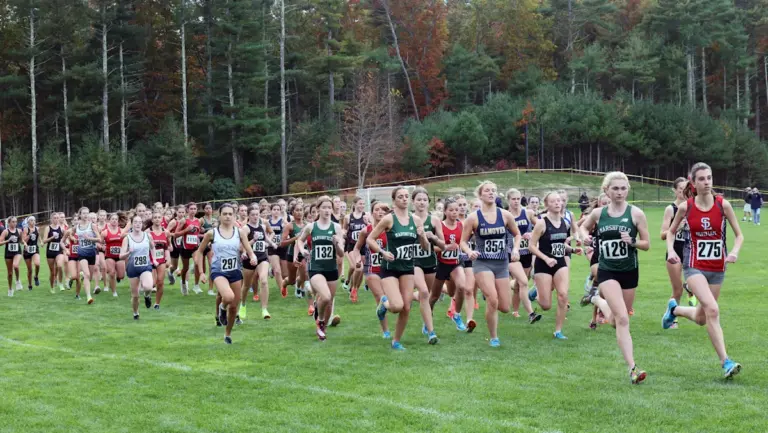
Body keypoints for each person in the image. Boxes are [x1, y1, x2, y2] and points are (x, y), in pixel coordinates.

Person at [663, 162, 744, 379]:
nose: (707, 182)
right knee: (713, 310)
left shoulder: (723, 205)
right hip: (694, 266)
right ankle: (726, 362)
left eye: (709, 178)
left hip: (718, 268)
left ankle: (674, 310)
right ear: (693, 182)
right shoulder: (686, 207)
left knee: (701, 318)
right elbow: (670, 232)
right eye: (701, 179)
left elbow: (739, 235)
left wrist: (734, 252)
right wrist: (671, 250)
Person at [579, 172, 650, 384]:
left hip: (629, 271)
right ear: (606, 190)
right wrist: (584, 237)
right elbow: (582, 227)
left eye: (623, 188)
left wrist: (633, 242)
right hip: (607, 270)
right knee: (623, 319)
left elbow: (647, 244)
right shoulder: (599, 214)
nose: (619, 192)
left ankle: (596, 299)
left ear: (628, 190)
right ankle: (633, 368)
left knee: (617, 320)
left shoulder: (636, 214)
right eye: (615, 188)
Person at [368, 186, 432, 350]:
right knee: (397, 306)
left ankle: (396, 341)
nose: (404, 199)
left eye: (406, 196)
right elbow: (370, 239)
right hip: (390, 267)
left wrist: (422, 236)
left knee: (407, 307)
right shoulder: (389, 219)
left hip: (408, 267)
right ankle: (384, 304)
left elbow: (425, 248)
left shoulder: (416, 220)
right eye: (400, 196)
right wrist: (382, 252)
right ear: (394, 200)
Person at [460, 181, 522, 347]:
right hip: (482, 263)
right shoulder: (473, 218)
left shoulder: (505, 215)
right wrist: (469, 252)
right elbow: (463, 242)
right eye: (487, 190)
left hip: (501, 264)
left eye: (494, 190)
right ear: (480, 195)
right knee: (493, 300)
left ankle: (488, 294)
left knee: (505, 307)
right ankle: (494, 337)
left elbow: (517, 234)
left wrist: (515, 249)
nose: (491, 193)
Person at [196, 203, 260, 344]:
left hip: (235, 271)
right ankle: (221, 307)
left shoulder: (239, 232)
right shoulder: (212, 233)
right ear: (219, 216)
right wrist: (201, 272)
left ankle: (227, 334)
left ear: (234, 216)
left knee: (234, 307)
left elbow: (249, 250)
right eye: (224, 214)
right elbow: (199, 252)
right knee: (228, 296)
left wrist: (253, 257)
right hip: (218, 271)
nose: (227, 216)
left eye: (230, 214)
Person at [296, 196, 345, 341]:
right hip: (316, 267)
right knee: (326, 296)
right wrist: (302, 250)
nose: (327, 210)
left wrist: (337, 244)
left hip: (331, 268)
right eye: (324, 207)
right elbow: (300, 240)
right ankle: (321, 321)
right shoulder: (311, 227)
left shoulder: (336, 227)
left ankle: (322, 325)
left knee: (329, 302)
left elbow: (341, 253)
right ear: (318, 209)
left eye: (329, 207)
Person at [528, 192, 571, 340]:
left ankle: (558, 331)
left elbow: (561, 244)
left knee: (563, 295)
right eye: (553, 201)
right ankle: (535, 293)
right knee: (546, 305)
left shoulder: (564, 222)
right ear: (547, 205)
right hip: (543, 264)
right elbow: (531, 246)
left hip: (560, 263)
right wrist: (546, 258)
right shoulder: (542, 223)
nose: (557, 203)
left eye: (559, 200)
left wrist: (572, 249)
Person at [412, 187, 447, 345]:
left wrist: (432, 237)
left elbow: (443, 245)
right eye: (418, 199)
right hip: (413, 261)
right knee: (424, 293)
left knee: (432, 296)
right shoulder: (408, 219)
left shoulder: (434, 220)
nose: (421, 202)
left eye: (424, 200)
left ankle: (425, 321)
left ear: (428, 202)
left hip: (430, 261)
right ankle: (431, 332)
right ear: (413, 202)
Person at [428, 197, 469, 332]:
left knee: (462, 287)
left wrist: (467, 250)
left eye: (456, 210)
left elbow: (463, 243)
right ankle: (427, 320)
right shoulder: (439, 226)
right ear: (445, 211)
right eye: (451, 210)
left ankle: (456, 315)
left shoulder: (461, 225)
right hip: (441, 264)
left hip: (456, 263)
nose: (454, 212)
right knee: (434, 297)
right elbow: (430, 248)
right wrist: (445, 248)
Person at [353, 200, 391, 338]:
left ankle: (383, 320)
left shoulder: (391, 229)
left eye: (383, 210)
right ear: (372, 213)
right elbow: (356, 249)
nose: (380, 212)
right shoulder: (366, 230)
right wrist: (358, 260)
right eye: (377, 209)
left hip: (388, 269)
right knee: (381, 298)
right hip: (371, 269)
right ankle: (385, 331)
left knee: (389, 300)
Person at [506, 188, 541, 323]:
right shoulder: (505, 215)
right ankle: (531, 313)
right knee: (523, 282)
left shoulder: (528, 213)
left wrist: (531, 234)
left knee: (520, 284)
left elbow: (541, 227)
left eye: (518, 199)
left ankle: (515, 311)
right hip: (512, 253)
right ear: (508, 200)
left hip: (526, 252)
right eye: (513, 199)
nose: (516, 201)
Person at [661, 178, 695, 317]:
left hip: (691, 251)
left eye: (686, 189)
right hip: (674, 250)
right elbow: (663, 234)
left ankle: (690, 287)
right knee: (677, 290)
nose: (683, 192)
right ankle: (672, 317)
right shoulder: (671, 209)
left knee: (699, 282)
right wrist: (676, 228)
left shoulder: (694, 207)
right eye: (680, 189)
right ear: (675, 190)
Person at [120, 216, 160, 319]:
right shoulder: (127, 238)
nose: (138, 224)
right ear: (132, 224)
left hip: (145, 266)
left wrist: (154, 259)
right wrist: (128, 252)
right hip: (132, 268)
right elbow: (121, 256)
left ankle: (147, 296)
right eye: (135, 222)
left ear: (142, 224)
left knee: (148, 287)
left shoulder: (147, 236)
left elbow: (152, 247)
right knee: (135, 295)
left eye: (140, 222)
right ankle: (135, 313)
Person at [241, 206, 277, 321]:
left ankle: (264, 309)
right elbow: (242, 245)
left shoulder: (262, 226)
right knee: (246, 285)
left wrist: (271, 243)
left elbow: (265, 238)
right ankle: (242, 305)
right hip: (249, 258)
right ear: (248, 215)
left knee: (264, 281)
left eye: (257, 214)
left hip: (262, 257)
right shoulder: (245, 229)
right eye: (253, 215)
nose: (255, 217)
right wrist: (253, 241)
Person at [342, 197, 367, 302]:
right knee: (358, 268)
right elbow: (344, 229)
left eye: (363, 204)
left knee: (361, 271)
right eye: (360, 203)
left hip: (363, 246)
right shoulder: (348, 217)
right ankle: (353, 288)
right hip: (352, 246)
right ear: (354, 204)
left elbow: (372, 227)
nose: (362, 206)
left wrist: (368, 223)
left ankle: (354, 288)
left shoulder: (366, 216)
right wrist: (343, 233)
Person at [174, 202, 203, 295]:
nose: (193, 211)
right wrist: (186, 230)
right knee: (185, 268)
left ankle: (196, 285)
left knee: (197, 263)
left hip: (195, 247)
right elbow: (176, 234)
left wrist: (202, 234)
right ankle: (183, 283)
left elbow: (197, 234)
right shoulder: (183, 221)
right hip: (185, 247)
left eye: (195, 209)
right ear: (187, 210)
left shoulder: (199, 221)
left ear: (197, 210)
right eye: (191, 209)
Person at [149, 211, 171, 309]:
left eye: (159, 217)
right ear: (152, 220)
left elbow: (167, 247)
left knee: (160, 282)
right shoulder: (147, 232)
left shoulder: (166, 232)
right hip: (150, 260)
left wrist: (168, 258)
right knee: (152, 283)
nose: (157, 219)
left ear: (162, 219)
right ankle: (147, 295)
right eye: (155, 217)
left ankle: (157, 303)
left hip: (161, 259)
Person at [103, 213, 125, 298]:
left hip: (119, 256)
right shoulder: (105, 232)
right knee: (111, 273)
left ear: (118, 221)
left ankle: (118, 277)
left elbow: (127, 240)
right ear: (109, 221)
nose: (114, 221)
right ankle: (114, 291)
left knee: (121, 275)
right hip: (109, 255)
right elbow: (100, 241)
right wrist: (101, 246)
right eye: (113, 219)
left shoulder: (122, 231)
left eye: (116, 219)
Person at [44, 212, 67, 293]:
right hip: (50, 251)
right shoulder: (48, 228)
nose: (56, 219)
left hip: (59, 251)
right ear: (51, 219)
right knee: (52, 272)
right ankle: (52, 287)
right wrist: (52, 237)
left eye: (57, 218)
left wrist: (65, 243)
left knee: (60, 265)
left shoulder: (61, 229)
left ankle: (60, 283)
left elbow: (65, 239)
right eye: (54, 218)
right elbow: (44, 241)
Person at [1, 216, 23, 296]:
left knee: (16, 266)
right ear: (9, 223)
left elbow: (21, 241)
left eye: (16, 222)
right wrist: (8, 240)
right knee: (10, 273)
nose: (15, 223)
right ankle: (10, 289)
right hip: (8, 253)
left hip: (17, 252)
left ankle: (17, 281)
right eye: (13, 222)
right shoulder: (5, 232)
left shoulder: (19, 231)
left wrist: (25, 244)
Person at [22, 216, 41, 291]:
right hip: (27, 250)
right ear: (28, 222)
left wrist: (41, 242)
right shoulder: (26, 229)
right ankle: (30, 285)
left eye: (34, 220)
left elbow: (38, 236)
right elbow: (24, 241)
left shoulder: (37, 228)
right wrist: (29, 235)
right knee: (29, 270)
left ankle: (36, 276)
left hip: (35, 249)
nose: (33, 222)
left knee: (37, 264)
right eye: (31, 220)